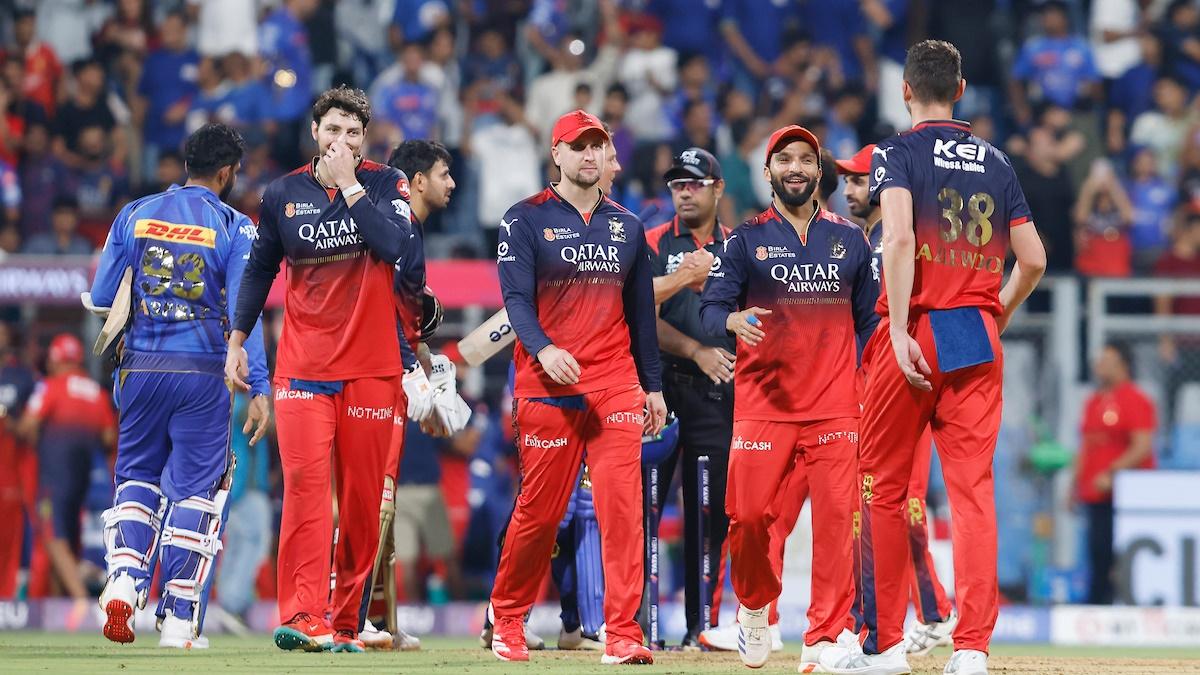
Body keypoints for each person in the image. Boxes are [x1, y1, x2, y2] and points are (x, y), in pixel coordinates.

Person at [820, 40, 1047, 675]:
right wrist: (996, 310)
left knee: (882, 488)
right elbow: (1033, 260)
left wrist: (895, 329)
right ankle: (971, 648)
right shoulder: (997, 161)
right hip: (975, 332)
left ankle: (885, 645)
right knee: (973, 493)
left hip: (916, 328)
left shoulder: (896, 153)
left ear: (905, 91)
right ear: (961, 89)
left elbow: (896, 238)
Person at [227, 86, 413, 654]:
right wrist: (236, 341)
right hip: (304, 367)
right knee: (306, 491)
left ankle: (347, 622)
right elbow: (259, 270)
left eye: (353, 133)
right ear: (315, 132)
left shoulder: (387, 184)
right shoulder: (282, 193)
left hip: (372, 370)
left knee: (360, 501)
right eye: (333, 130)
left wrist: (351, 186)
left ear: (365, 139)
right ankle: (304, 615)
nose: (342, 142)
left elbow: (395, 246)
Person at [488, 109, 666, 665]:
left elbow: (641, 315)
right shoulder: (523, 219)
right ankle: (507, 617)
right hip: (547, 386)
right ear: (556, 154)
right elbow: (516, 301)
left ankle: (623, 633)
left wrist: (653, 387)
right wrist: (544, 349)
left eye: (597, 146)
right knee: (541, 514)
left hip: (615, 383)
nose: (589, 155)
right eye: (578, 145)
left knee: (622, 510)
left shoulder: (627, 226)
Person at [699, 124, 877, 671]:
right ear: (768, 171)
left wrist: (869, 382)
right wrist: (730, 321)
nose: (794, 168)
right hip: (764, 407)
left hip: (835, 406)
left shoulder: (851, 239)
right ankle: (754, 606)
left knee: (837, 526)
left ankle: (823, 637)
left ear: (818, 171)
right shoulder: (744, 240)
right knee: (749, 518)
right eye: (784, 159)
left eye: (804, 159)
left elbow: (870, 323)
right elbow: (709, 311)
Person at [88, 123, 272, 649]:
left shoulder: (134, 213)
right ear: (227, 173)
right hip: (202, 373)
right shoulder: (235, 226)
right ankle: (178, 620)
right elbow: (246, 310)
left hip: (140, 369)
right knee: (196, 490)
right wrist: (259, 384)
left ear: (186, 164)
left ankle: (125, 580)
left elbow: (101, 296)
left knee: (137, 478)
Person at [838, 143, 959, 654]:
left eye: (859, 180)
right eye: (846, 181)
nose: (850, 189)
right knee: (868, 504)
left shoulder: (896, 238)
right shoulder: (857, 242)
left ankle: (914, 615)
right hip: (868, 384)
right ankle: (912, 614)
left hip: (904, 379)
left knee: (898, 504)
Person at [357, 139, 459, 651]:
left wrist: (430, 367)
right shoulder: (396, 229)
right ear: (417, 181)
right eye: (444, 174)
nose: (452, 183)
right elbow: (380, 307)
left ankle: (380, 620)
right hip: (374, 377)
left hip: (391, 371)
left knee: (385, 506)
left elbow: (405, 319)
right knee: (375, 501)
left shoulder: (412, 232)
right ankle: (352, 617)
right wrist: (407, 366)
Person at [644, 147, 733, 649]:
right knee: (646, 509)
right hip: (661, 389)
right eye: (677, 184)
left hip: (718, 394)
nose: (684, 192)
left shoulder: (737, 245)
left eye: (695, 183)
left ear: (718, 188)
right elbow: (638, 314)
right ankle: (638, 624)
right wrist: (696, 350)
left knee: (710, 513)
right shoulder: (653, 241)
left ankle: (703, 626)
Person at [19, 334, 115, 620]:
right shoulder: (96, 393)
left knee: (52, 537)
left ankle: (82, 600)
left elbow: (28, 425)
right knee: (69, 539)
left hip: (53, 475)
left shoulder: (52, 387)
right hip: (82, 479)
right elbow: (109, 437)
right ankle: (63, 607)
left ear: (55, 360)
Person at [1075, 343, 1156, 605]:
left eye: (1107, 360)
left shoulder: (1135, 400)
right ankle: (1098, 602)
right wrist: (1074, 485)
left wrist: (1112, 473)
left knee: (1115, 552)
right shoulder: (1094, 402)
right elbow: (1086, 446)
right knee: (1096, 551)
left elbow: (1142, 446)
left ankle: (1111, 602)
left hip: (1125, 496)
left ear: (1123, 365)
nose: (1099, 365)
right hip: (1095, 493)